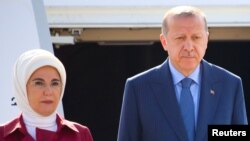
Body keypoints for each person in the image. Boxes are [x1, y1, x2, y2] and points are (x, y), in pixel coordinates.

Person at [117, 5, 248, 141]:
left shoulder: (230, 85)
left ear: (206, 40)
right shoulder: (138, 88)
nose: (189, 47)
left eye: (196, 37)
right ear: (164, 41)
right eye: (180, 38)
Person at [0, 49, 93, 141]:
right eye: (39, 83)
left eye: (55, 83)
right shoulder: (2, 135)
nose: (48, 92)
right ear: (22, 87)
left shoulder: (81, 134)